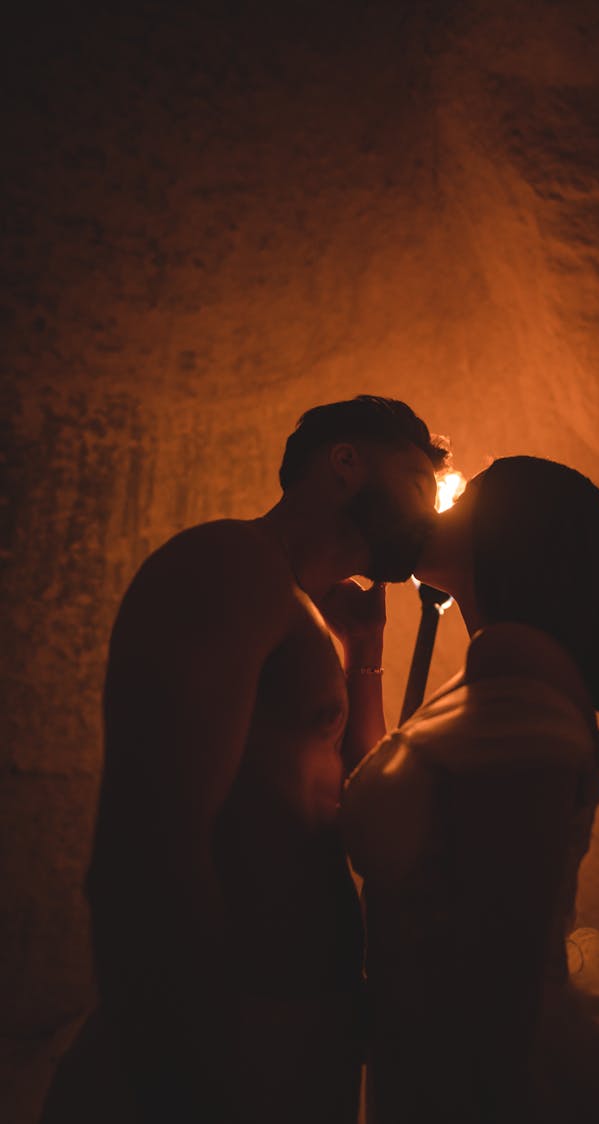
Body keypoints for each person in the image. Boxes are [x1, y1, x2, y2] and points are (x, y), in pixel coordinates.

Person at [40, 395, 448, 1124]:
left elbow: (358, 801)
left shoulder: (316, 617)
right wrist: (189, 1070)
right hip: (227, 1034)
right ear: (346, 464)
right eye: (418, 478)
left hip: (294, 1035)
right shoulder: (229, 565)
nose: (432, 508)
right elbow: (149, 843)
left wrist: (366, 664)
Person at [343, 455, 599, 1124]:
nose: (445, 504)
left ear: (511, 531)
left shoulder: (519, 692)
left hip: (471, 1078)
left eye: (467, 494)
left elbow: (503, 962)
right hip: (433, 1056)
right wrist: (367, 651)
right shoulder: (495, 681)